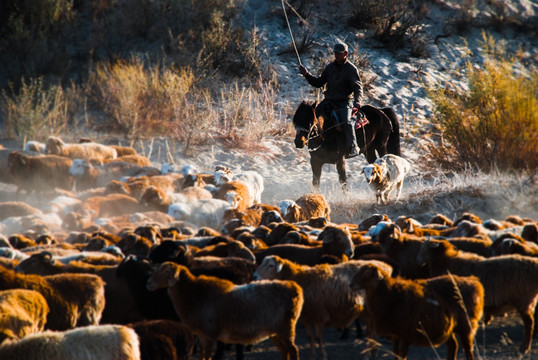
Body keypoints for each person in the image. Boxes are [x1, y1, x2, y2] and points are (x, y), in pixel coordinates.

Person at [299, 42, 362, 158]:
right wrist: (306, 74)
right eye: (335, 53)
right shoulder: (330, 68)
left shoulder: (351, 69)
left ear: (346, 54)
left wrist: (357, 102)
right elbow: (318, 83)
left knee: (347, 123)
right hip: (328, 100)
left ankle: (353, 146)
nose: (336, 55)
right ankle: (309, 140)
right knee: (312, 116)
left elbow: (357, 87)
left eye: (339, 53)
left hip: (344, 102)